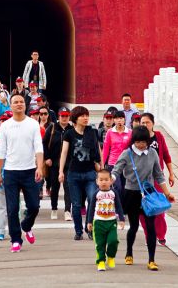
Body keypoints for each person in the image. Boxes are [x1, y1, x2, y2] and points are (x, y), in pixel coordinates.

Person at [112, 125, 175, 271]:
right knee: (133, 227)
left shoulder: (152, 153)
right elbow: (117, 170)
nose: (141, 145)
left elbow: (159, 175)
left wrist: (167, 194)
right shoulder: (127, 153)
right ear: (133, 140)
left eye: (144, 142)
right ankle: (129, 252)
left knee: (151, 227)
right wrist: (109, 180)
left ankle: (151, 260)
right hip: (131, 194)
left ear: (148, 141)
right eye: (138, 142)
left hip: (148, 195)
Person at [0, 93, 45, 253]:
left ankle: (26, 225)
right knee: (12, 209)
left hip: (29, 170)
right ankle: (16, 239)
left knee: (34, 206)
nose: (19, 104)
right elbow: (1, 151)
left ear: (25, 105)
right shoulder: (5, 126)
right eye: (15, 102)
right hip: (10, 172)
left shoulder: (32, 124)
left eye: (21, 102)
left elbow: (38, 147)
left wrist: (39, 167)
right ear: (10, 105)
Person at [59, 105, 102, 241]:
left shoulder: (92, 132)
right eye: (82, 116)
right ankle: (78, 231)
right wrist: (61, 171)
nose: (85, 118)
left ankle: (89, 228)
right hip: (74, 173)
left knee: (92, 199)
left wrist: (101, 166)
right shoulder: (69, 134)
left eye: (87, 115)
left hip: (90, 172)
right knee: (76, 204)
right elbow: (64, 153)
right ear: (75, 119)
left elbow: (97, 149)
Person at [140, 112, 173, 246]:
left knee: (159, 207)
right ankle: (149, 235)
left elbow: (166, 155)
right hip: (141, 180)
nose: (145, 125)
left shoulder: (158, 136)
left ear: (153, 123)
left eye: (147, 122)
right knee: (143, 209)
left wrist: (171, 173)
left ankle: (161, 234)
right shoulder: (136, 137)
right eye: (142, 122)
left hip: (157, 178)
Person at [86, 169, 126, 272]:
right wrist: (89, 222)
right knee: (100, 244)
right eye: (101, 180)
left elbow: (119, 206)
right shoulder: (96, 194)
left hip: (111, 222)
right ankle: (101, 261)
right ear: (97, 181)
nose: (104, 182)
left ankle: (111, 256)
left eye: (106, 179)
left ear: (111, 181)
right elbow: (91, 208)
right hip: (98, 222)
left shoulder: (114, 193)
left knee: (113, 241)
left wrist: (121, 219)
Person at [43, 106, 72, 221]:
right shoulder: (52, 128)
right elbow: (44, 143)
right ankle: (54, 208)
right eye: (62, 116)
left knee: (68, 187)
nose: (64, 118)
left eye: (66, 116)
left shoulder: (72, 129)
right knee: (55, 187)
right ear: (58, 116)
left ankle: (67, 211)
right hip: (54, 163)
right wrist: (47, 158)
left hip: (68, 164)